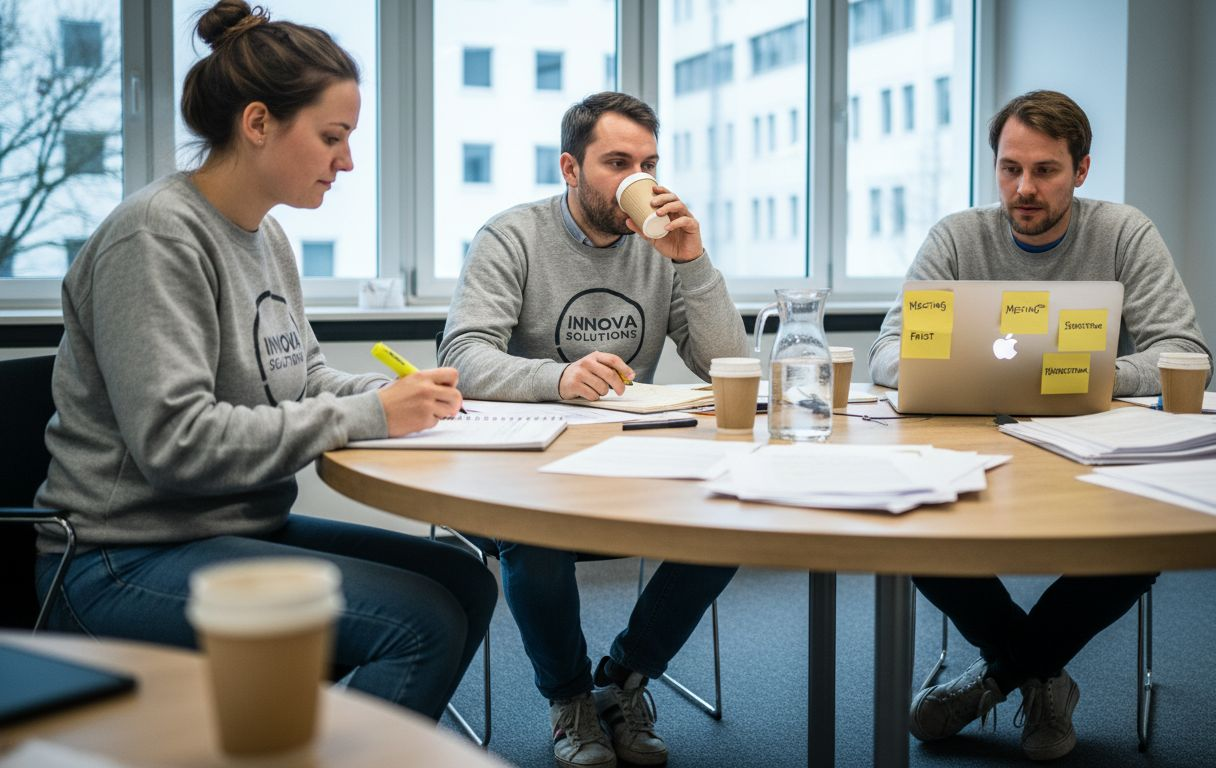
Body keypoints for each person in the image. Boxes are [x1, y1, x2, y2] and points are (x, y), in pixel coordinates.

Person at [33, 0, 496, 722]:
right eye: (333, 137)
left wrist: (397, 395)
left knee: (465, 581)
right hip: (118, 561)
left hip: (230, 531)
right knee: (420, 623)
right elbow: (176, 445)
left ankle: (295, 734)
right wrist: (369, 413)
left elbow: (302, 376)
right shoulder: (155, 238)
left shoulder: (266, 237)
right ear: (257, 124)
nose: (347, 161)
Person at [869, 90, 1211, 761]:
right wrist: (956, 374)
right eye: (1009, 169)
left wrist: (1085, 374)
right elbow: (887, 350)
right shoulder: (957, 236)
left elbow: (1186, 354)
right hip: (972, 448)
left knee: (1145, 539)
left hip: (1090, 451)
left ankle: (1001, 674)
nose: (1023, 188)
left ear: (1081, 170)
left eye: (1046, 171)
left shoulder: (1123, 231)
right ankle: (1042, 674)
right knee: (911, 530)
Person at [440, 91, 749, 768]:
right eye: (617, 161)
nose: (639, 178)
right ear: (571, 169)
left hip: (635, 458)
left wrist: (692, 260)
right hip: (530, 463)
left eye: (648, 162)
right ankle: (571, 699)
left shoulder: (661, 248)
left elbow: (728, 364)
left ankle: (624, 681)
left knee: (735, 513)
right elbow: (461, 355)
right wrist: (557, 378)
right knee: (534, 532)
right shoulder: (511, 235)